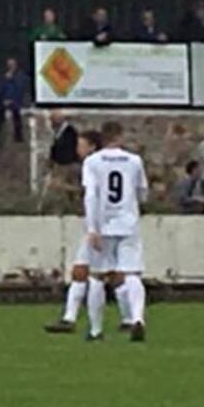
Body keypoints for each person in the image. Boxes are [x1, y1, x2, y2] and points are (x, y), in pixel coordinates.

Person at [82, 122, 149, 342]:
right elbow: (143, 192)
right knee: (132, 273)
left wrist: (92, 228)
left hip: (103, 225)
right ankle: (137, 318)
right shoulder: (134, 160)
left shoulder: (92, 161)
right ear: (119, 137)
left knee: (97, 276)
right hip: (128, 223)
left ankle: (95, 330)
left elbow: (91, 195)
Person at [44, 130, 108, 335]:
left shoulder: (94, 165)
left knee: (100, 274)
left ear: (92, 147)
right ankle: (69, 318)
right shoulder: (99, 165)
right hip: (100, 225)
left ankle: (131, 317)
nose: (77, 149)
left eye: (81, 145)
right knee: (83, 271)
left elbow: (89, 193)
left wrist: (62, 187)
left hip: (99, 226)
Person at [0, 58, 30, 151]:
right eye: (9, 64)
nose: (10, 66)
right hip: (2, 104)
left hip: (16, 103)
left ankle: (18, 136)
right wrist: (4, 100)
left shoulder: (21, 77)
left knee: (16, 113)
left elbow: (20, 91)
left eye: (12, 64)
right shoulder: (2, 77)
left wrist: (12, 100)